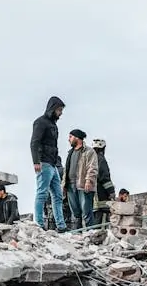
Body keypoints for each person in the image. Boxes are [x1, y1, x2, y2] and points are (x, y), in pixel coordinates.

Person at [30, 96, 67, 231]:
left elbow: (54, 146)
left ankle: (61, 226)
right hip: (43, 163)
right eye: (59, 110)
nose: (60, 113)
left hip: (53, 164)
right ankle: (38, 224)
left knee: (57, 195)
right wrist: (36, 161)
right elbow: (34, 142)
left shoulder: (53, 125)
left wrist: (56, 163)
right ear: (53, 109)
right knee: (42, 193)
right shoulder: (40, 122)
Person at [63, 129, 98, 230]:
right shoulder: (70, 153)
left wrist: (88, 181)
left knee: (87, 212)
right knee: (75, 213)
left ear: (77, 138)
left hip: (83, 185)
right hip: (70, 186)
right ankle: (77, 234)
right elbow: (66, 170)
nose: (68, 139)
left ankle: (90, 233)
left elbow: (92, 167)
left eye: (70, 137)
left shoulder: (89, 151)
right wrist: (64, 185)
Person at [92, 138, 116, 227]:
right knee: (101, 218)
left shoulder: (90, 159)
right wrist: (111, 191)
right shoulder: (101, 159)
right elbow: (105, 177)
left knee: (95, 217)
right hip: (101, 193)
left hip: (92, 193)